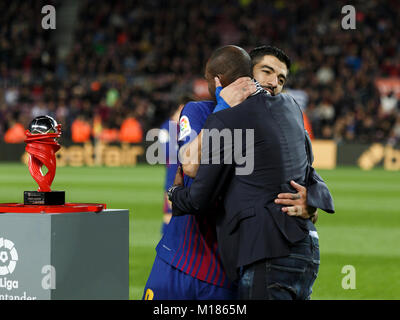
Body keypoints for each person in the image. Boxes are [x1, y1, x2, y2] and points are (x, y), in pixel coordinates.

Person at [142, 45, 330, 300]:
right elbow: (192, 165)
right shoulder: (200, 111)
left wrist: (310, 199)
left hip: (230, 269)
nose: (274, 83)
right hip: (181, 257)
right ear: (243, 74)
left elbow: (303, 170)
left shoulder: (273, 121)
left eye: (282, 79)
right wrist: (223, 107)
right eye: (266, 72)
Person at [158, 95, 191, 234]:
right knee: (169, 213)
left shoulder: (189, 126)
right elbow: (167, 152)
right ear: (181, 107)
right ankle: (167, 244)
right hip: (172, 178)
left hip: (189, 178)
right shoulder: (166, 128)